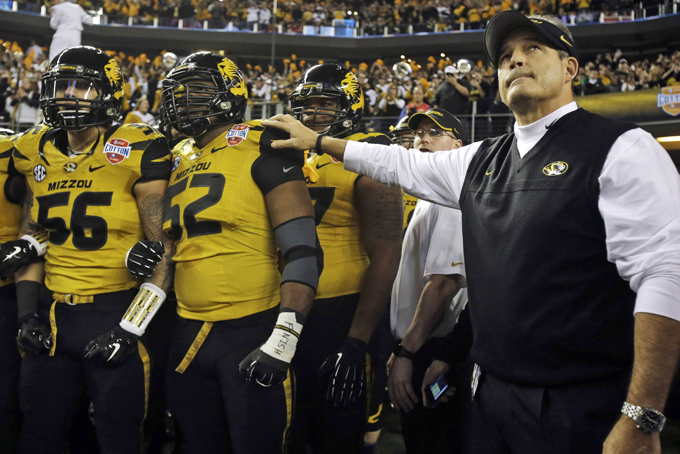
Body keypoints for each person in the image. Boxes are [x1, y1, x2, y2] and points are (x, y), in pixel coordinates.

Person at [262, 11, 680, 454]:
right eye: (505, 57)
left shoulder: (622, 146)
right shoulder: (482, 158)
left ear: (570, 68)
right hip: (490, 392)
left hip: (580, 399)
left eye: (532, 48)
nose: (515, 61)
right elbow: (400, 163)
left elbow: (665, 276)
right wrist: (321, 142)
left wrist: (642, 414)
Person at [7, 46, 174, 454]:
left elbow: (163, 252)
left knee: (121, 437)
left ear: (108, 95)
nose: (69, 95)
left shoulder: (137, 148)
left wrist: (129, 328)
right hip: (54, 314)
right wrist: (28, 314)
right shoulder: (34, 152)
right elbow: (34, 242)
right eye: (62, 85)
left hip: (115, 309)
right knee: (38, 433)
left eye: (82, 87)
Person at [155, 52, 322, 453]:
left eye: (195, 91)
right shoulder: (177, 158)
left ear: (229, 94)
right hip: (187, 331)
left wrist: (283, 339)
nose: (181, 101)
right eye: (177, 93)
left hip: (251, 329)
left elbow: (303, 249)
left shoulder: (262, 142)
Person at [287, 63, 403, 454]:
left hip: (341, 311)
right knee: (289, 430)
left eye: (326, 103)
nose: (314, 113)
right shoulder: (292, 152)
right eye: (308, 104)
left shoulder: (368, 150)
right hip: (285, 309)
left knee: (336, 435)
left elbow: (386, 250)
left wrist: (357, 340)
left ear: (350, 105)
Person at [386, 108, 470, 454]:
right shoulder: (428, 194)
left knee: (434, 441)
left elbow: (444, 283)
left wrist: (407, 352)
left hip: (435, 349)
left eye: (435, 133)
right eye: (419, 133)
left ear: (458, 145)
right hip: (422, 343)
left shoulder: (450, 196)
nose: (423, 139)